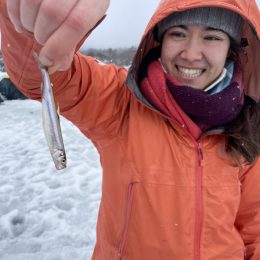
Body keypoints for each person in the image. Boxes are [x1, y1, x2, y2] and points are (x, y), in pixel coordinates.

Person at [0, 0, 260, 259]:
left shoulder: (248, 123)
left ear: (233, 48)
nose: (191, 53)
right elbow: (43, 78)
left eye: (212, 37)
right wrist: (31, 27)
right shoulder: (119, 99)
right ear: (160, 39)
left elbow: (254, 230)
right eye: (178, 33)